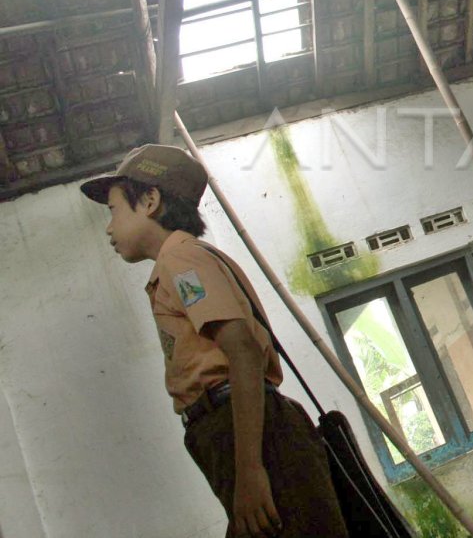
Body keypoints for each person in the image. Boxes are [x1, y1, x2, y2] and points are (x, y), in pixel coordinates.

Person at [80, 144, 348, 538]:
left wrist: (250, 471)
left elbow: (241, 349)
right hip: (232, 429)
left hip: (247, 430)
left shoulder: (181, 261)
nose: (108, 227)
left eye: (114, 211)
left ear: (150, 201)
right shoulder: (182, 262)